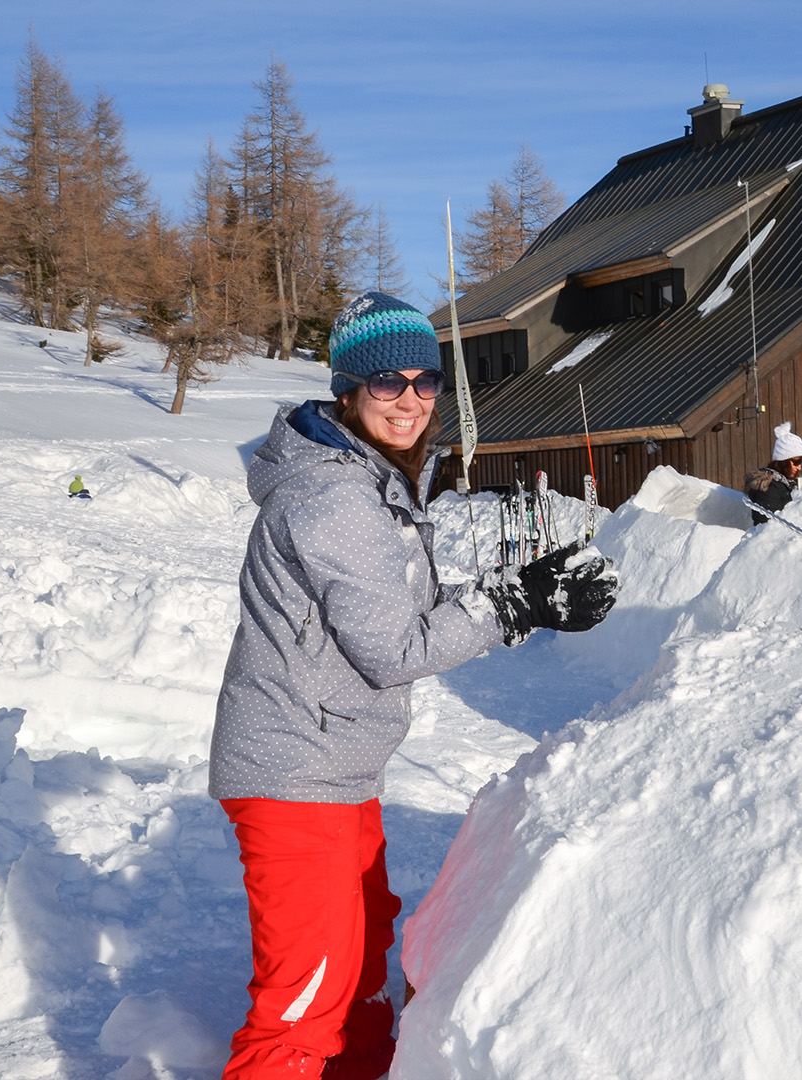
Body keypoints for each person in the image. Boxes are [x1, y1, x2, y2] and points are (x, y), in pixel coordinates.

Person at [209, 291, 618, 1079]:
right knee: (307, 995)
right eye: (386, 383)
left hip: (337, 766)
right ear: (348, 391)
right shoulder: (333, 493)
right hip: (295, 769)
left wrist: (519, 589)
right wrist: (512, 604)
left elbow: (402, 605)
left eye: (424, 382)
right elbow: (395, 648)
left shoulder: (372, 480)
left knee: (359, 967)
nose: (409, 400)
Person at [745, 421, 802, 523]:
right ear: (783, 461)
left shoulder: (785, 485)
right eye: (796, 462)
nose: (799, 467)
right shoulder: (769, 487)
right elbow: (767, 525)